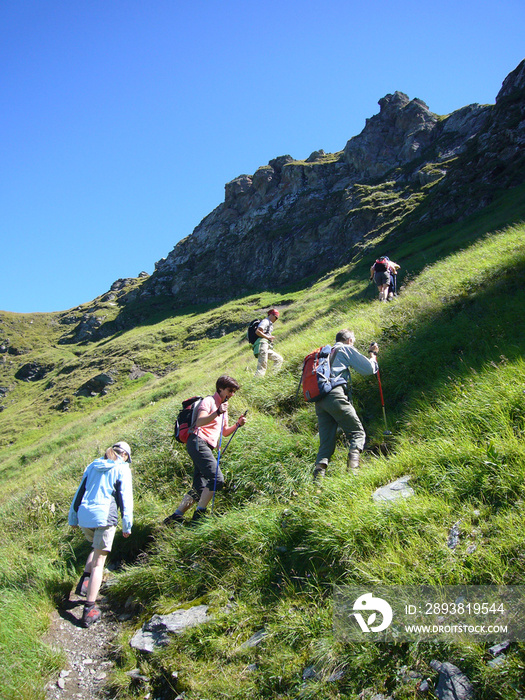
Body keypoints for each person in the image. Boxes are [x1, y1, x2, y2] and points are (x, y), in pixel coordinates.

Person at [164, 375, 247, 526]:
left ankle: (176, 516)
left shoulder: (224, 407)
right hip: (197, 441)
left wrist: (238, 424)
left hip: (204, 445)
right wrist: (217, 413)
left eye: (234, 391)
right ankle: (199, 515)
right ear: (220, 388)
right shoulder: (208, 401)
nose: (232, 394)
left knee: (199, 487)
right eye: (230, 390)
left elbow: (224, 432)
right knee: (217, 479)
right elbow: (200, 422)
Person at [68, 440, 133, 627]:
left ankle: (84, 583)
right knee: (99, 563)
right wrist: (127, 525)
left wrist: (73, 517)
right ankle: (89, 609)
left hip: (84, 516)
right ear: (125, 456)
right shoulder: (122, 469)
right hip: (105, 516)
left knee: (94, 548)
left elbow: (79, 493)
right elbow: (125, 498)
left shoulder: (92, 465)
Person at [313, 330, 378, 479]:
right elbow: (369, 369)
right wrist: (373, 355)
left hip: (320, 400)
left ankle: (317, 482)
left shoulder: (324, 352)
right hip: (335, 395)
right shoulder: (345, 348)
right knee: (357, 433)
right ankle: (353, 475)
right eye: (353, 341)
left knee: (326, 444)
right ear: (349, 340)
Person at [254, 308, 283, 377]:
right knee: (262, 366)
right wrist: (268, 337)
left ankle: (271, 377)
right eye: (276, 317)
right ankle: (257, 383)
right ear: (271, 315)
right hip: (262, 344)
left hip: (265, 346)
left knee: (279, 359)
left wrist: (269, 338)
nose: (276, 320)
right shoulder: (265, 321)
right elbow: (258, 331)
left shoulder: (269, 323)